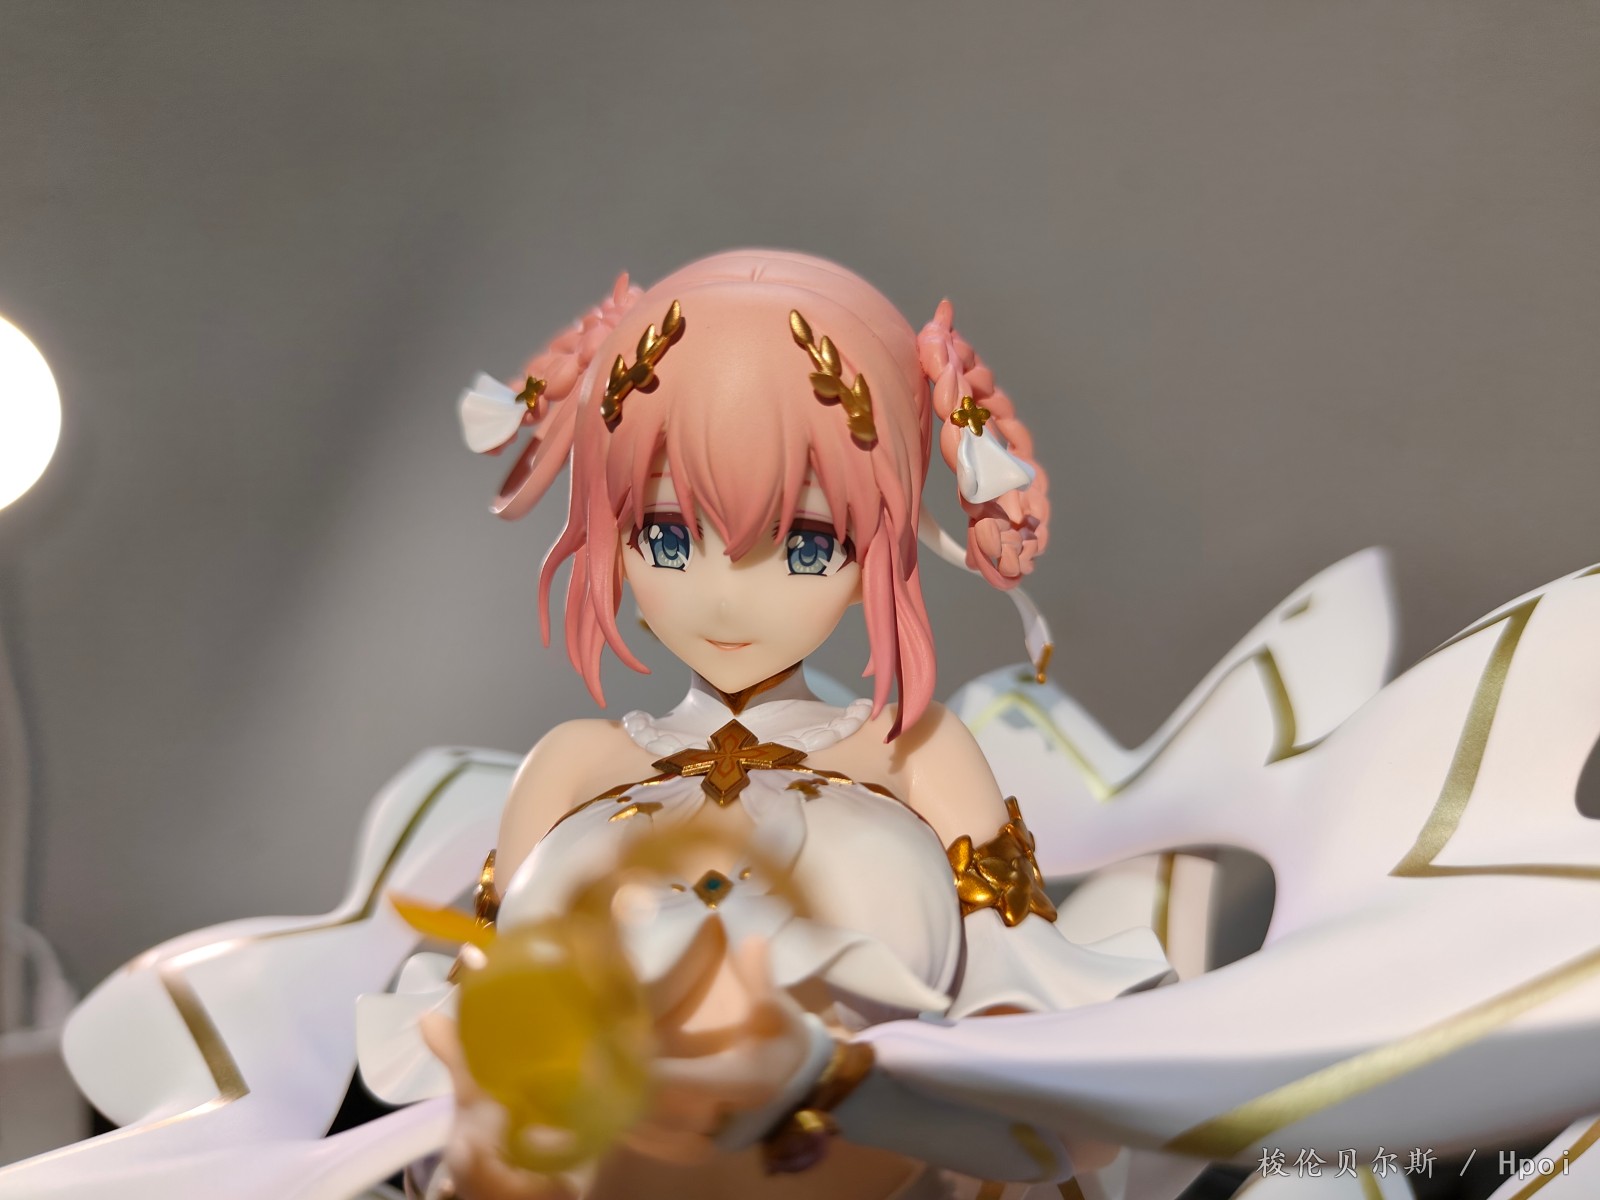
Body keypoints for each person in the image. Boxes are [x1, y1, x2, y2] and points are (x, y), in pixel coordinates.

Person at [378, 248, 1173, 1199]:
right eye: (667, 536)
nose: (725, 595)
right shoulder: (574, 766)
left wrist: (838, 1084)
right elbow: (473, 1034)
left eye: (805, 544)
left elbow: (1030, 1040)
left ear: (879, 549)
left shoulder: (910, 750)